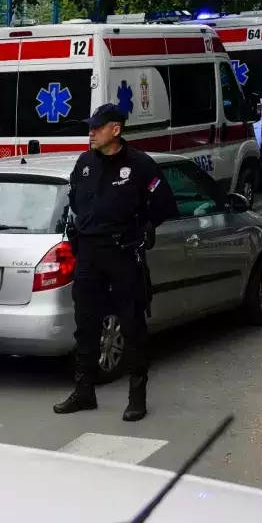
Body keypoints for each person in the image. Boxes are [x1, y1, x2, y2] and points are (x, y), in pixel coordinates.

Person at [53, 104, 176, 421]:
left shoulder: (139, 164)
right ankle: (84, 391)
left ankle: (137, 396)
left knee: (132, 324)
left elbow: (164, 203)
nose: (91, 133)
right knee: (86, 324)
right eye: (90, 127)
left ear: (116, 130)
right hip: (89, 253)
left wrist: (144, 228)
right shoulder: (85, 163)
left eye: (97, 127)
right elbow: (75, 201)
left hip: (123, 252)